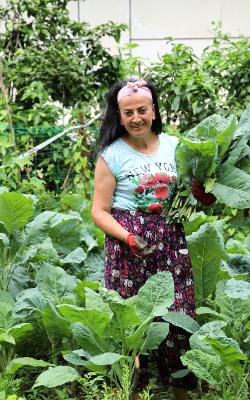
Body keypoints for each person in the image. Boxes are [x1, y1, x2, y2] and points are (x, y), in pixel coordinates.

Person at [91, 79, 215, 400]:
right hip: (128, 247)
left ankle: (181, 391)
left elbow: (198, 194)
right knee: (134, 322)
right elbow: (99, 211)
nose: (136, 118)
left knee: (178, 315)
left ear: (154, 111)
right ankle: (134, 393)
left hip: (171, 242)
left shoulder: (175, 146)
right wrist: (128, 237)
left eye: (142, 110)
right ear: (120, 117)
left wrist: (205, 194)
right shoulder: (111, 155)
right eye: (128, 112)